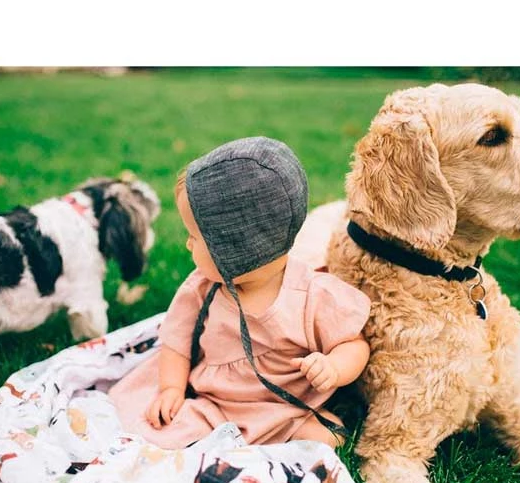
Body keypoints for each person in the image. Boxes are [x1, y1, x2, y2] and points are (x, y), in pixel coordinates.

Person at [108, 136, 371, 449]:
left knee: (329, 439)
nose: (188, 244)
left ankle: (276, 434)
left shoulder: (312, 294)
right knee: (158, 430)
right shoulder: (201, 289)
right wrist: (171, 389)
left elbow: (353, 344)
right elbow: (176, 344)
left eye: (195, 237)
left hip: (283, 409)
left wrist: (334, 367)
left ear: (237, 249)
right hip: (211, 403)